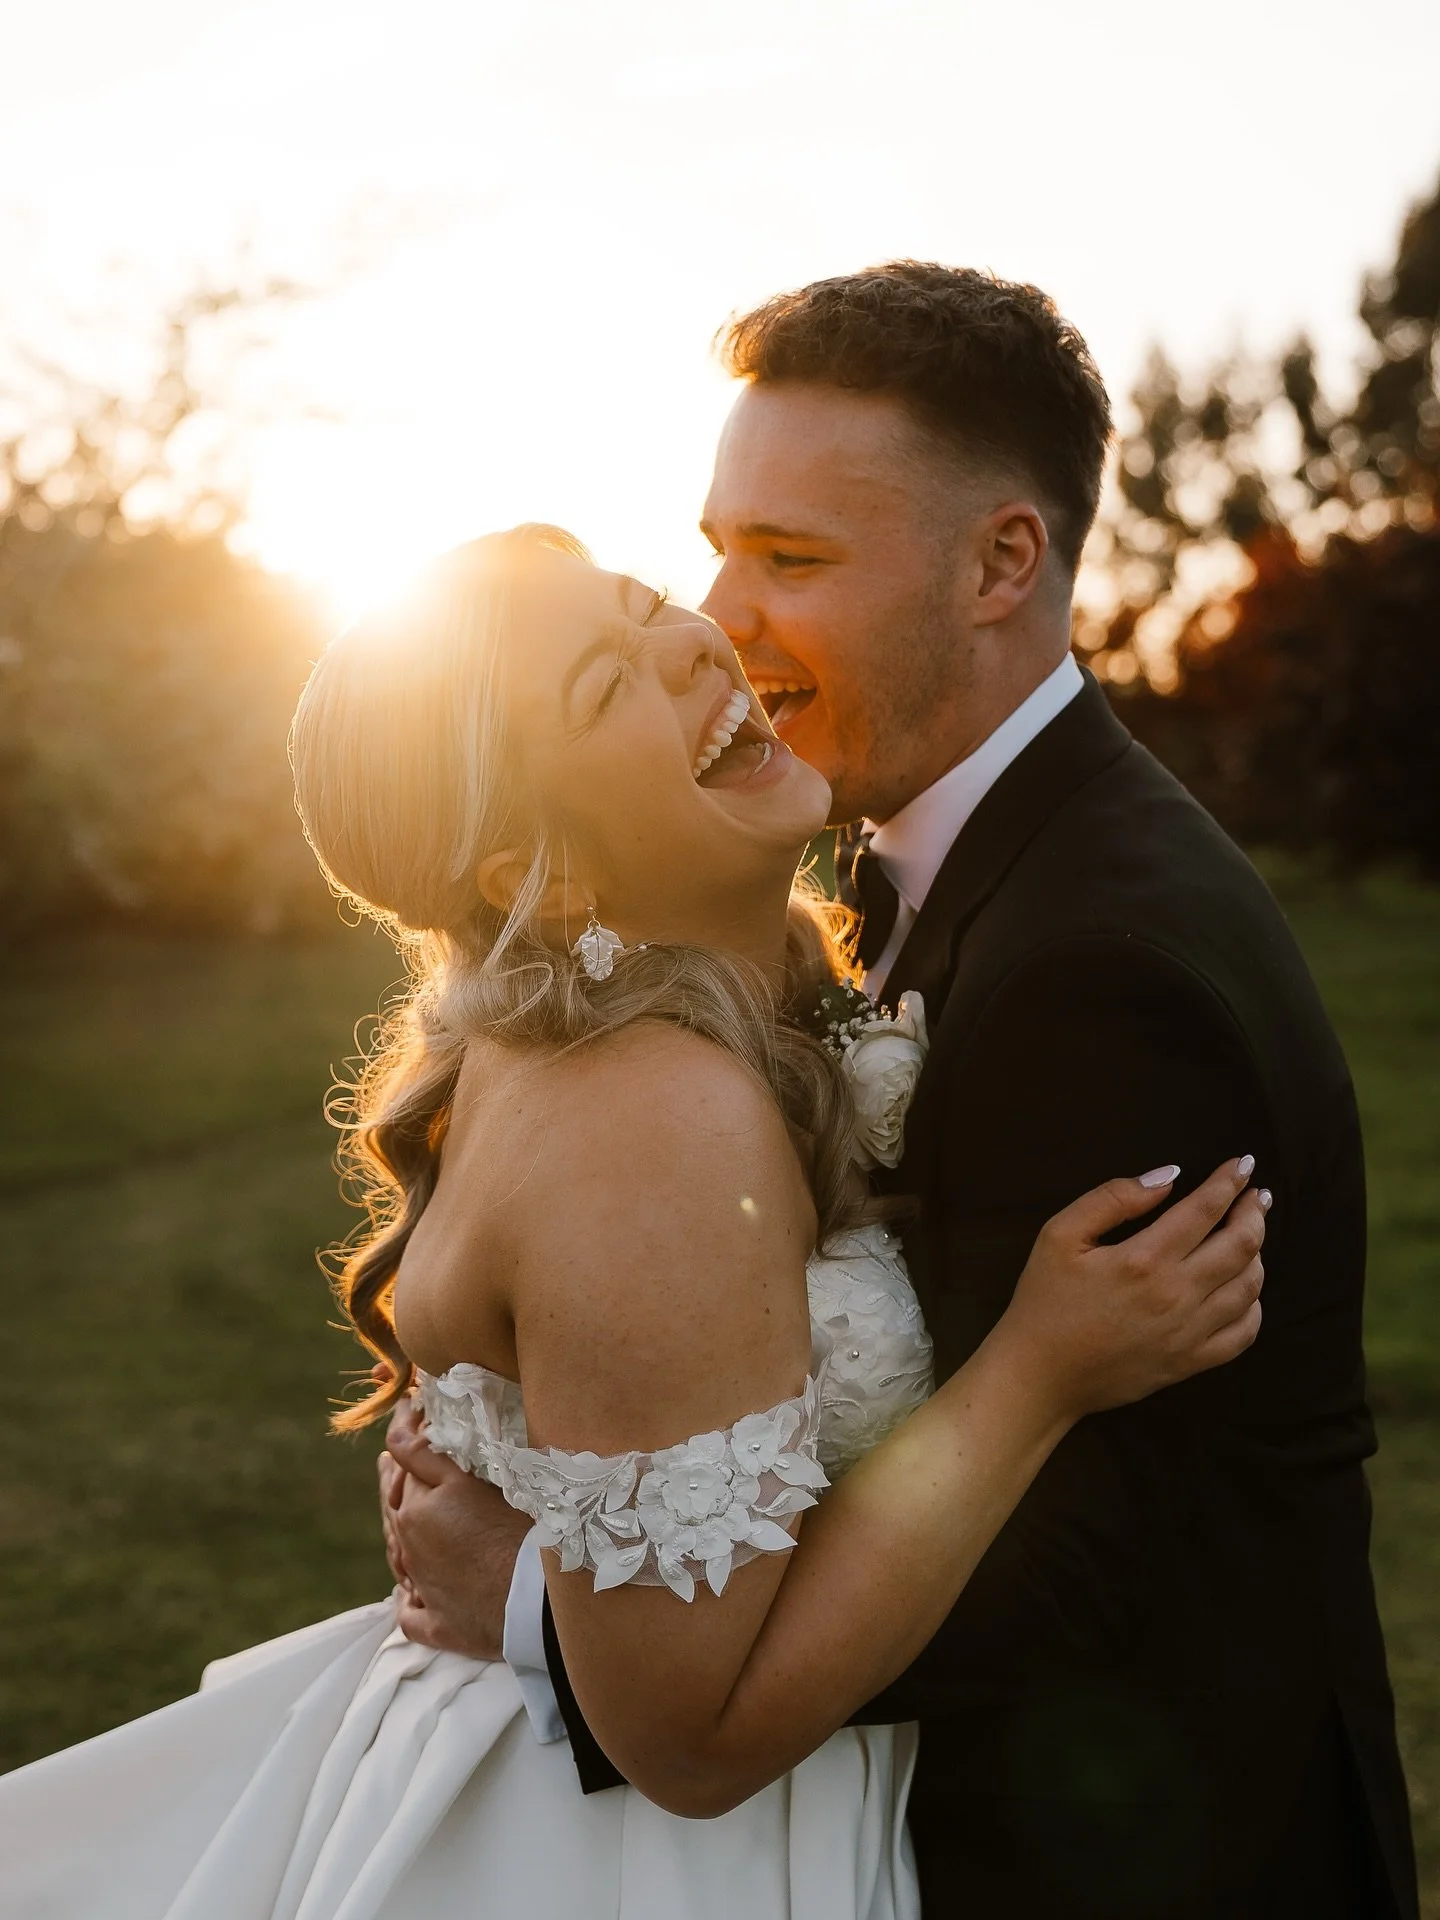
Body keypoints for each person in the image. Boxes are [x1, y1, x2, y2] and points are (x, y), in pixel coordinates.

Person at [0, 521, 1267, 1920]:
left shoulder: (650, 1023)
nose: (689, 645)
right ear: (530, 868)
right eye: (607, 686)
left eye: (645, 601)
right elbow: (691, 1735)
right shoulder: (651, 1117)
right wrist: (1038, 1370)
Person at [385, 267, 1418, 1919]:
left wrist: (552, 1605)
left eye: (792, 560)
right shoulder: (862, 874)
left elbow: (1093, 1560)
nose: (725, 609)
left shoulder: (1108, 958)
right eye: (715, 546)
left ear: (1005, 560)